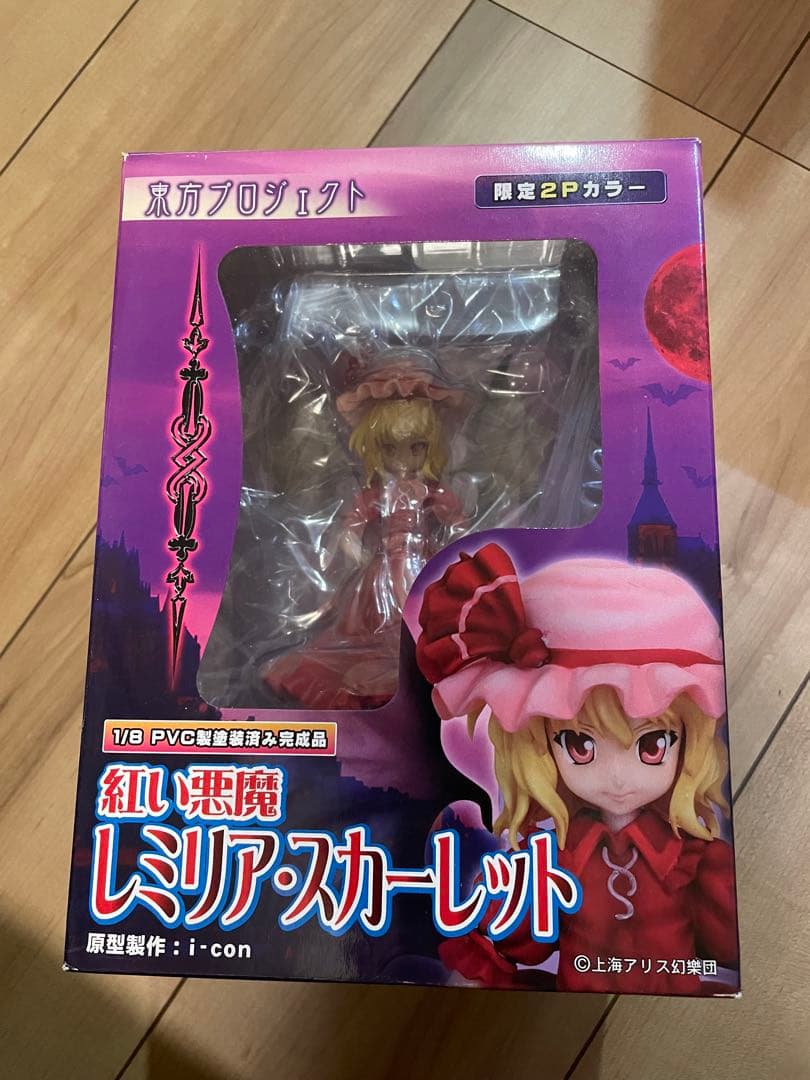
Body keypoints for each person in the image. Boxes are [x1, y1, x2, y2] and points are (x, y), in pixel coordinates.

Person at [415, 542, 739, 994]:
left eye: (652, 745)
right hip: (571, 1010)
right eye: (579, 744)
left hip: (674, 1007)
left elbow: (727, 942)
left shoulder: (693, 858)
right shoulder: (554, 858)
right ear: (538, 745)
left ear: (690, 741)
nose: (618, 777)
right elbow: (522, 939)